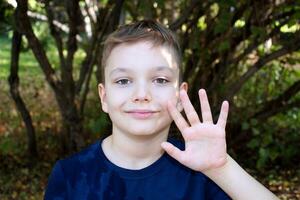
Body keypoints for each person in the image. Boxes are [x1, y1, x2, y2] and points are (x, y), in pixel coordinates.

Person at [44, 20, 278, 200]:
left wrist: (222, 168)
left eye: (160, 80)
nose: (142, 94)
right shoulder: (70, 175)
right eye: (124, 81)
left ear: (179, 96)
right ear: (104, 97)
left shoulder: (202, 172)